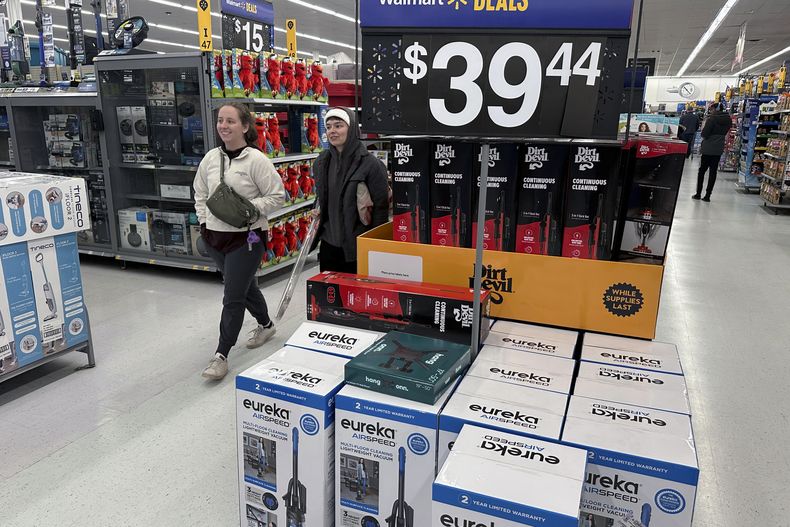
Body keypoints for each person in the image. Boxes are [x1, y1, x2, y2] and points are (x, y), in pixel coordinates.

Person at [194, 103, 286, 380]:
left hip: (247, 238)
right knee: (244, 287)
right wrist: (203, 222)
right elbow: (200, 192)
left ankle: (221, 355)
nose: (223, 126)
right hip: (214, 237)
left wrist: (247, 209)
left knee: (232, 295)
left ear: (245, 126)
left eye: (230, 121)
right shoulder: (211, 158)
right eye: (220, 120)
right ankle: (266, 325)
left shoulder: (256, 160)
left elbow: (277, 196)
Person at [312, 107, 389, 273]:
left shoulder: (370, 165)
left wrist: (375, 247)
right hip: (328, 246)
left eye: (338, 126)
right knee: (329, 289)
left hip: (357, 248)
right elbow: (322, 196)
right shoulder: (321, 162)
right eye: (328, 127)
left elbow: (381, 209)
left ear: (352, 128)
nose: (332, 131)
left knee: (355, 290)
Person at [693, 102, 732, 201]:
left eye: (711, 109)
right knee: (713, 172)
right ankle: (708, 196)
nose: (710, 111)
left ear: (715, 109)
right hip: (718, 147)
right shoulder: (728, 119)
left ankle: (698, 193)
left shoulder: (712, 119)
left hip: (708, 147)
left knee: (702, 171)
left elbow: (704, 134)